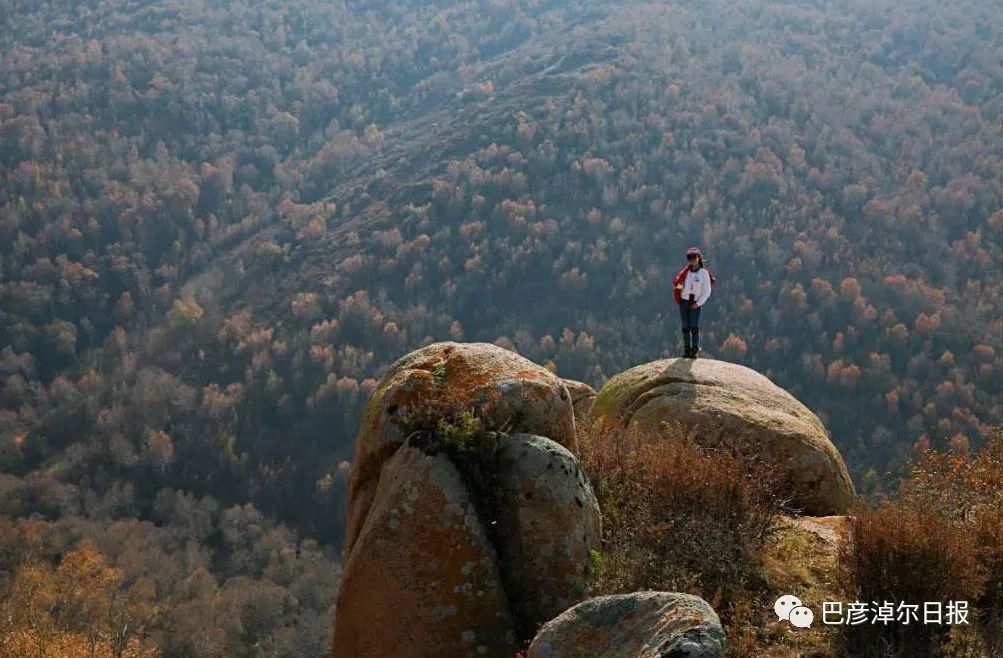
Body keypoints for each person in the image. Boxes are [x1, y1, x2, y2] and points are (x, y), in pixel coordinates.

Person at [672, 246, 714, 358]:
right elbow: (679, 284)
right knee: (685, 327)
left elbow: (707, 291)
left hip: (695, 303)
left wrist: (698, 304)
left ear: (699, 258)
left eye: (694, 257)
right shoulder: (685, 272)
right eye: (689, 257)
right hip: (684, 301)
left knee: (694, 327)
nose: (692, 259)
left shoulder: (704, 273)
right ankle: (687, 350)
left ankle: (694, 351)